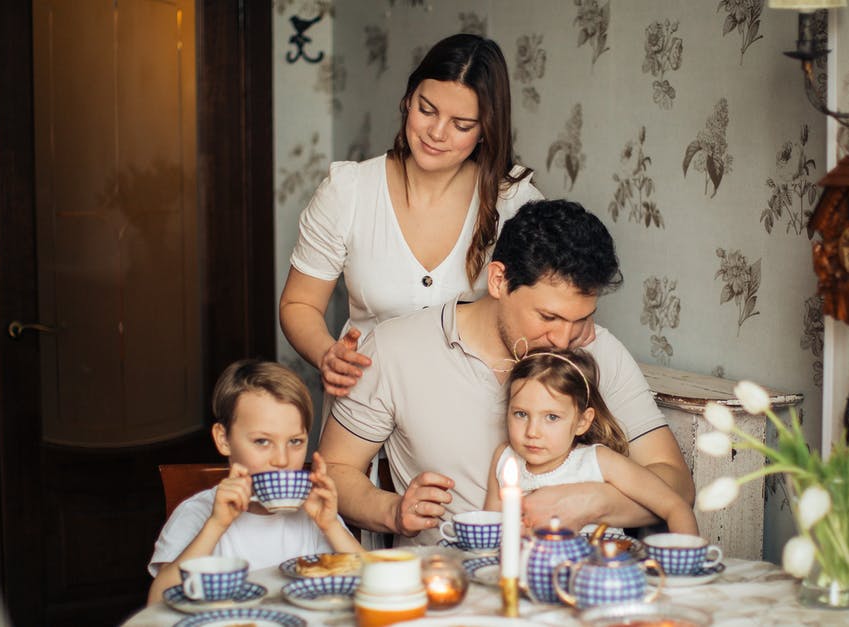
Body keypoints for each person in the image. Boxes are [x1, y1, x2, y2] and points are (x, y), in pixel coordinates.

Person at [319, 199, 696, 547]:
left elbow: (675, 483)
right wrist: (393, 512)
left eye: (581, 318)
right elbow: (335, 468)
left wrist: (595, 501)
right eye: (548, 317)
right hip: (454, 586)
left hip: (579, 583)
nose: (564, 340)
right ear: (498, 280)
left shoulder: (599, 351)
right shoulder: (394, 348)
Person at [279, 33, 555, 405]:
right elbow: (300, 304)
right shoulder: (349, 191)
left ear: (485, 131)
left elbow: (546, 314)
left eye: (461, 124)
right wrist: (327, 354)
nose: (436, 133)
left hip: (473, 412)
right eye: (427, 110)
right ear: (408, 99)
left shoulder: (515, 203)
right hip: (366, 404)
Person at [146, 360, 362, 603]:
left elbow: (378, 583)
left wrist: (331, 526)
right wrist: (216, 525)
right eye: (262, 441)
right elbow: (157, 604)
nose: (282, 460)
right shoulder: (198, 513)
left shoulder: (315, 518)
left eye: (295, 442)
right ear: (223, 439)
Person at [482, 348, 698, 536]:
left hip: (597, 573)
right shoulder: (504, 459)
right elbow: (491, 529)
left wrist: (686, 565)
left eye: (552, 417)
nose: (532, 432)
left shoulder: (599, 461)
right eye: (521, 414)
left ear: (582, 422)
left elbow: (675, 506)